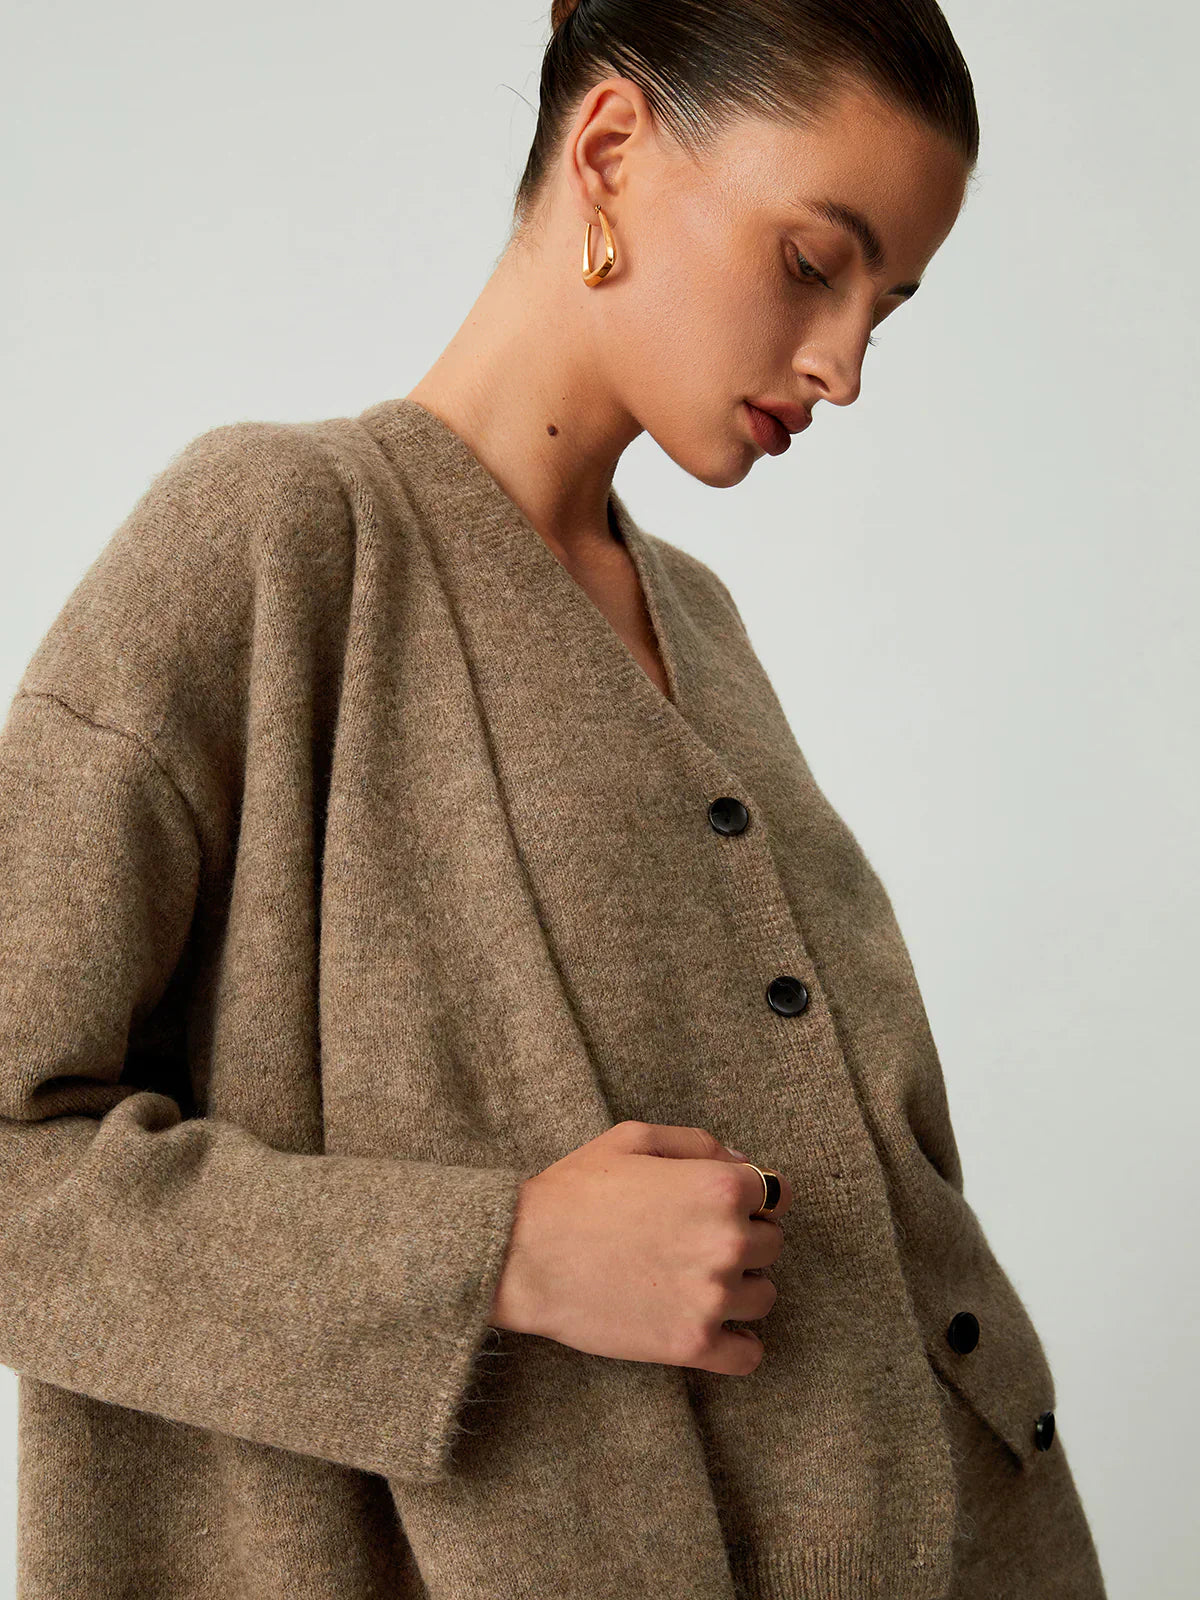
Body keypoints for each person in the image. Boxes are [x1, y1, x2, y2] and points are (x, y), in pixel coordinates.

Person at [0, 2, 1108, 1598]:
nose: (845, 365)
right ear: (609, 150)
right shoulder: (274, 544)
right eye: (814, 261)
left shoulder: (704, 625)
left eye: (889, 307)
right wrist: (500, 1258)